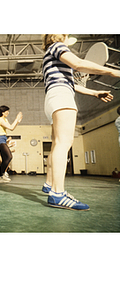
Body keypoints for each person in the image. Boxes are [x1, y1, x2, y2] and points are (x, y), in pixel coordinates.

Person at [41, 34, 119, 210]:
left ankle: (50, 185)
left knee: (57, 144)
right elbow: (77, 64)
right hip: (61, 96)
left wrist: (93, 93)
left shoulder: (49, 54)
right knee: (64, 143)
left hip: (54, 97)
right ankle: (57, 194)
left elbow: (70, 82)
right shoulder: (57, 46)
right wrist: (113, 72)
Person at [0, 106, 22, 183]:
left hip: (3, 138)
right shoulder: (0, 120)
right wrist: (16, 119)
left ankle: (1, 177)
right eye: (7, 111)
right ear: (3, 112)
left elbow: (12, 128)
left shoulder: (5, 119)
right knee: (9, 156)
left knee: (5, 159)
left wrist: (17, 122)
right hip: (0, 139)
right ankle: (1, 175)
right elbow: (10, 127)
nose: (8, 113)